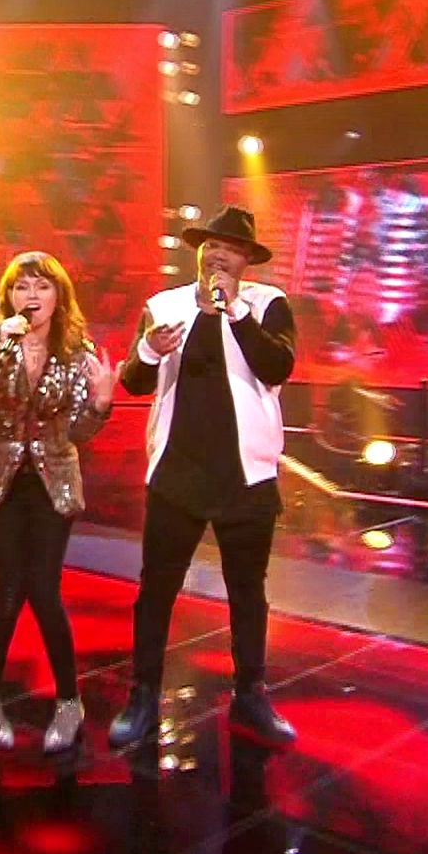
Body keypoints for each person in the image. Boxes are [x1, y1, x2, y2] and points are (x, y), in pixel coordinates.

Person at [106, 206, 300, 750]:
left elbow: (278, 367)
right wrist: (149, 350)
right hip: (178, 474)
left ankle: (251, 696)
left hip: (246, 476)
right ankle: (143, 696)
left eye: (231, 249)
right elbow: (135, 381)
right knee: (156, 591)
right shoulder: (164, 306)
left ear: (246, 261)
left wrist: (235, 311)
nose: (217, 255)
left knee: (248, 593)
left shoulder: (267, 304)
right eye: (211, 246)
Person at [0, 251, 115, 752]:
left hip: (53, 483)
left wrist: (100, 403)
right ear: (9, 296)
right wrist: (4, 349)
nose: (31, 296)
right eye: (21, 286)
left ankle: (70, 703)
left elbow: (77, 432)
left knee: (45, 591)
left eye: (42, 286)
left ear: (59, 296)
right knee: (8, 589)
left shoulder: (76, 350)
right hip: (3, 481)